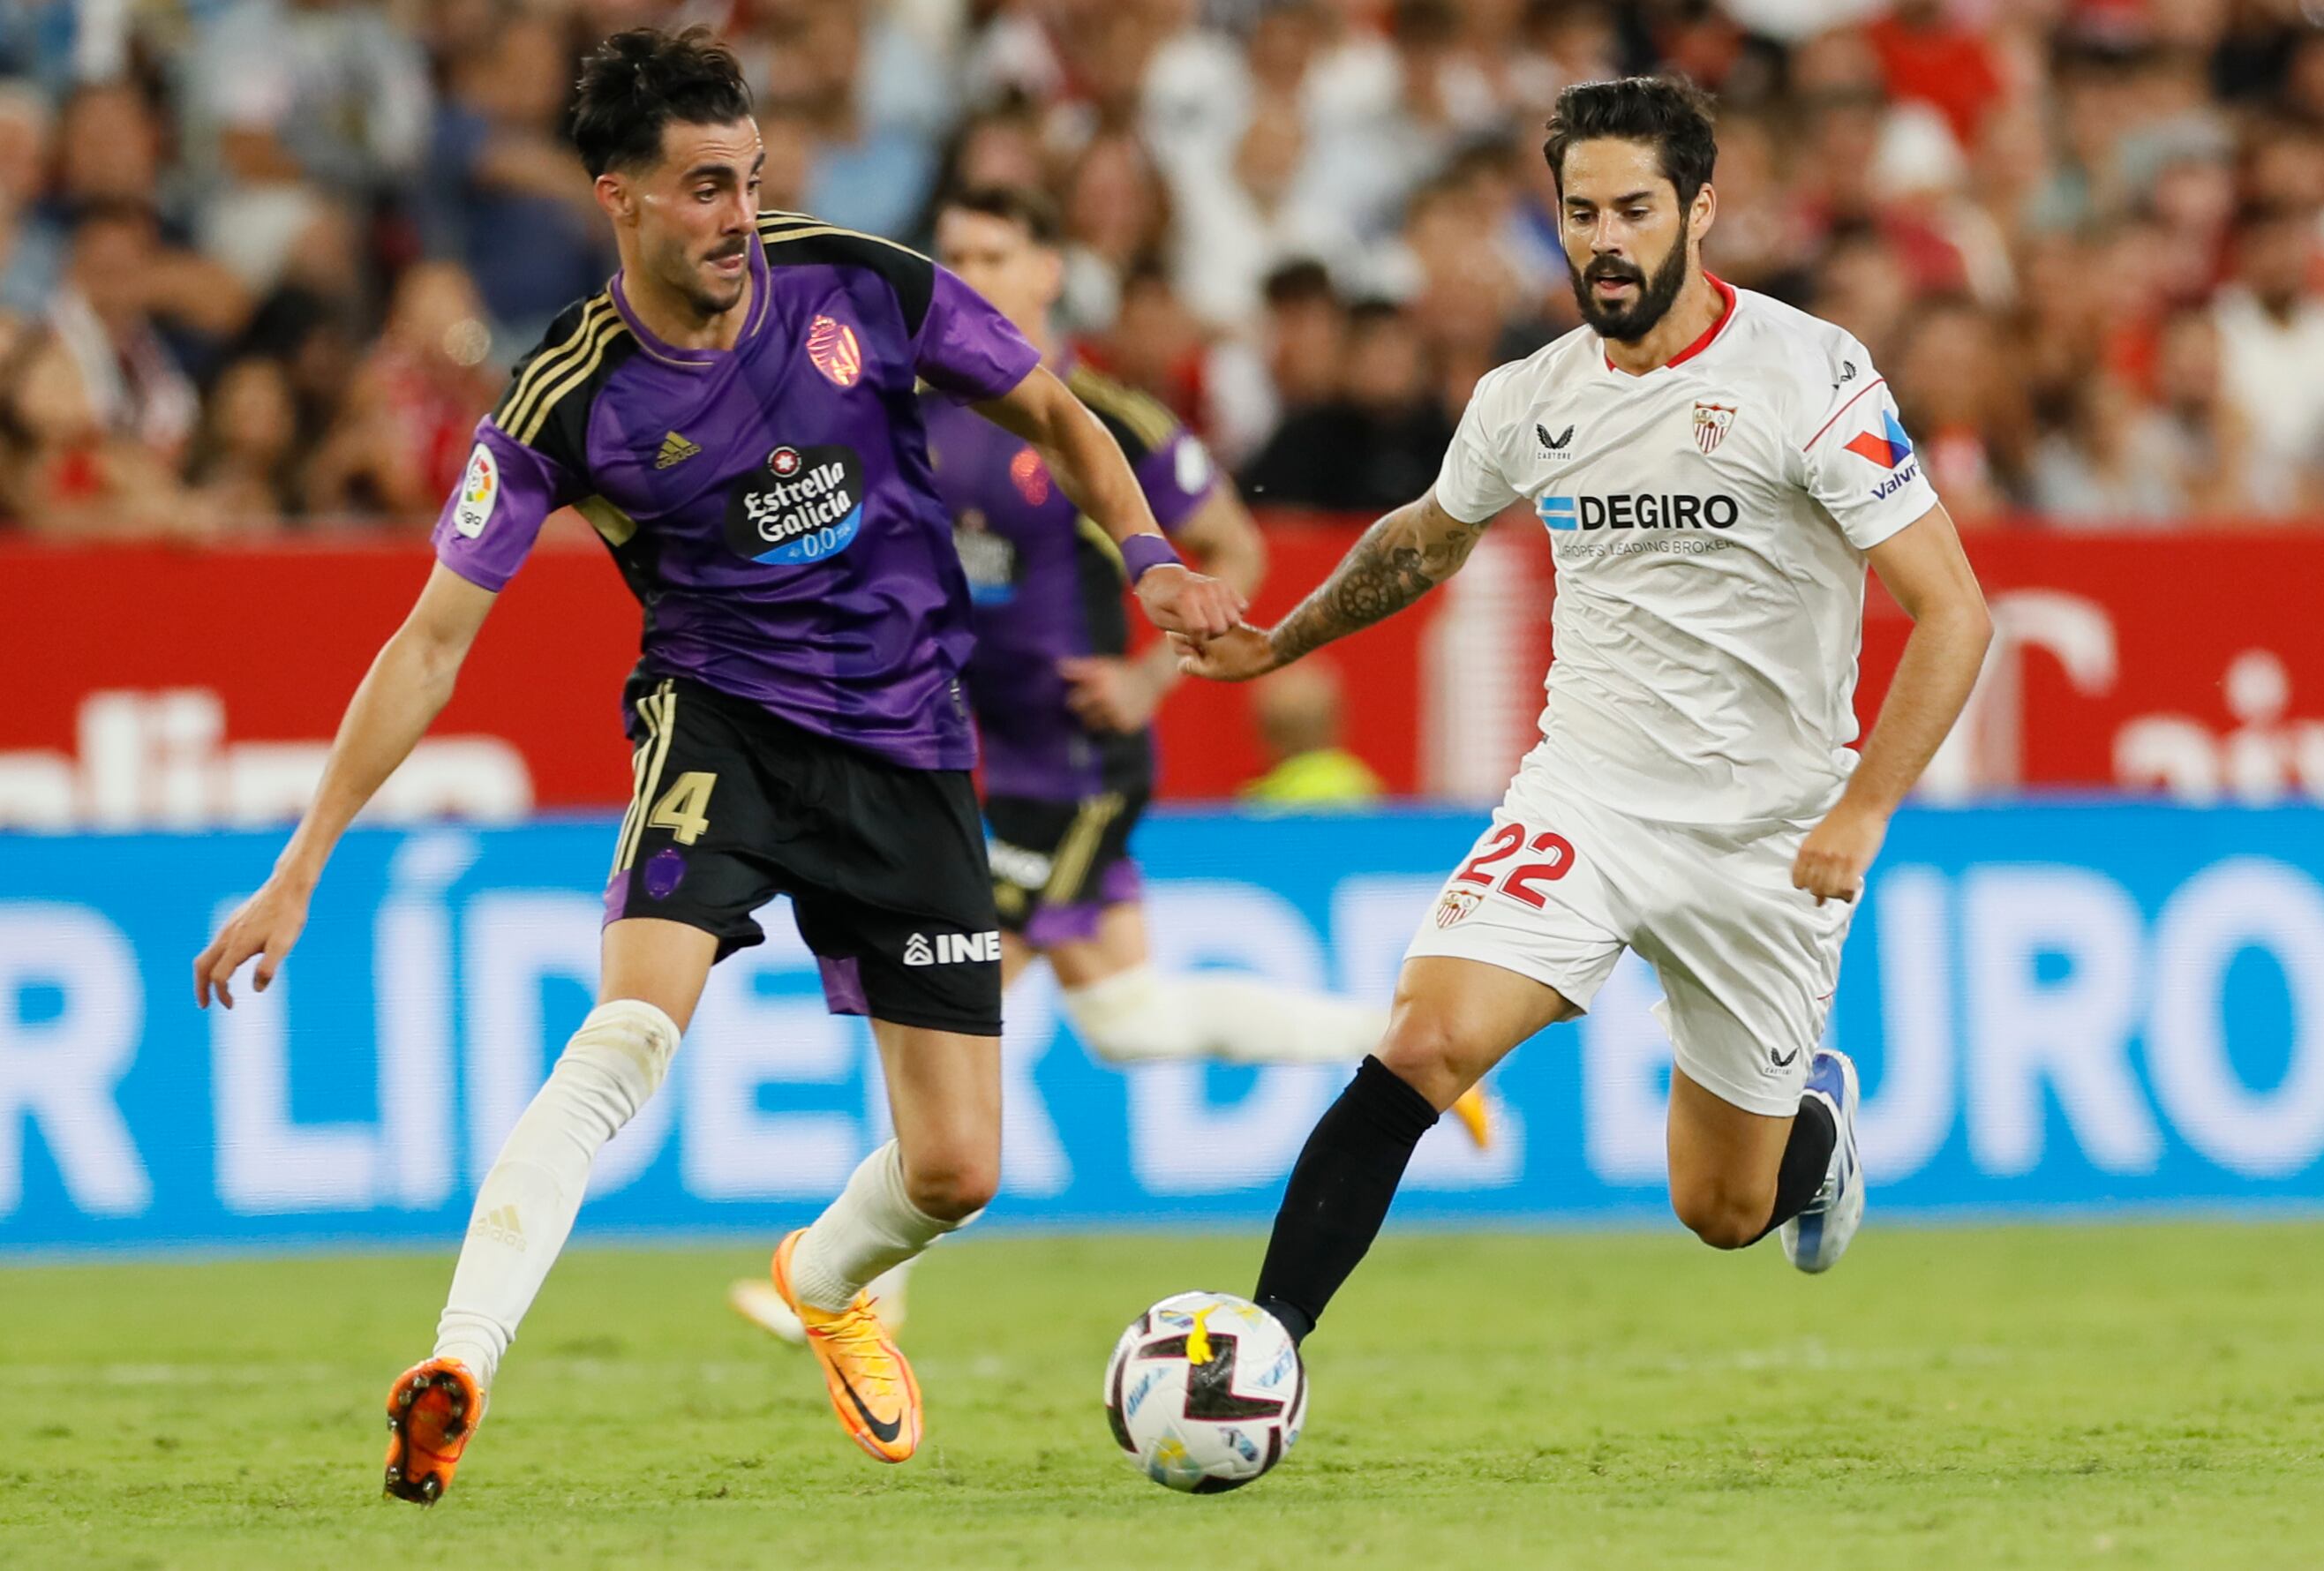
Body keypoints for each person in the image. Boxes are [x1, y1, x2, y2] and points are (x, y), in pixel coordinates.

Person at [190, 26, 1240, 1500]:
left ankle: (824, 1277)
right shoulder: (564, 396)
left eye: (746, 180)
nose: (737, 215)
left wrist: (1149, 562)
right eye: (700, 188)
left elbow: (1059, 411)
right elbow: (429, 644)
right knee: (628, 1036)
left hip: (911, 742)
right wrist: (299, 868)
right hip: (721, 726)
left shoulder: (856, 282)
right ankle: (459, 1362)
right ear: (616, 196)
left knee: (956, 1173)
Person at [1177, 77, 1991, 1364]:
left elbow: (1952, 613)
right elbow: (1422, 543)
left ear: (1699, 209)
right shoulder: (1529, 396)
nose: (1603, 239)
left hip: (1763, 839)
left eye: (1631, 209)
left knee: (1721, 1210)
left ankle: (1811, 1133)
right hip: (1587, 800)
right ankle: (1264, 1343)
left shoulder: (1810, 376)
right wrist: (1280, 640)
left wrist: (1863, 805)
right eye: (1577, 212)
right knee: (1424, 1040)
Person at [728, 184, 1483, 1348]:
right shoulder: (916, 409)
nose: (969, 270)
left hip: (1079, 769)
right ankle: (1389, 1045)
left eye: (996, 250)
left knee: (947, 1000)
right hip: (1005, 767)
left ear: (1048, 273)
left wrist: (1150, 674)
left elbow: (1227, 543)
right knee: (1127, 1021)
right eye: (956, 252)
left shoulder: (1099, 417)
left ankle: (854, 1289)